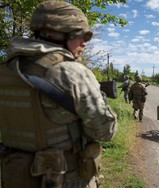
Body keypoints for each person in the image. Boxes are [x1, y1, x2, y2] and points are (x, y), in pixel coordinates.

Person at [0, 1, 117, 188]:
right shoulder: (71, 72)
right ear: (57, 35)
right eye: (81, 34)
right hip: (65, 179)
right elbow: (105, 132)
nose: (85, 42)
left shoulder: (7, 70)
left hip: (15, 176)